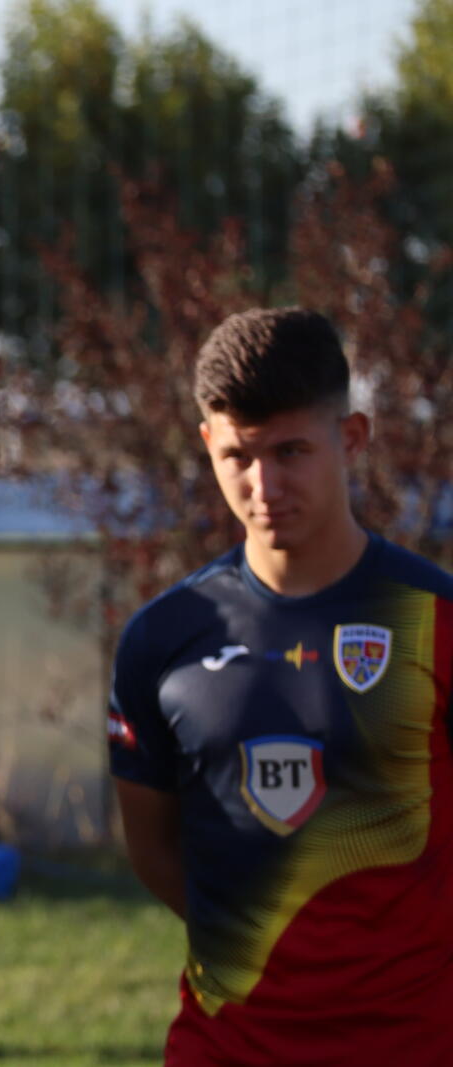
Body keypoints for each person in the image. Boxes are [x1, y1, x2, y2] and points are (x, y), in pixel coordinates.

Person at [108, 307, 453, 1063]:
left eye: (291, 451)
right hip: (226, 1045)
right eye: (239, 454)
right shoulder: (163, 639)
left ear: (351, 438)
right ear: (207, 443)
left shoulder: (435, 619)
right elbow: (155, 850)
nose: (263, 485)